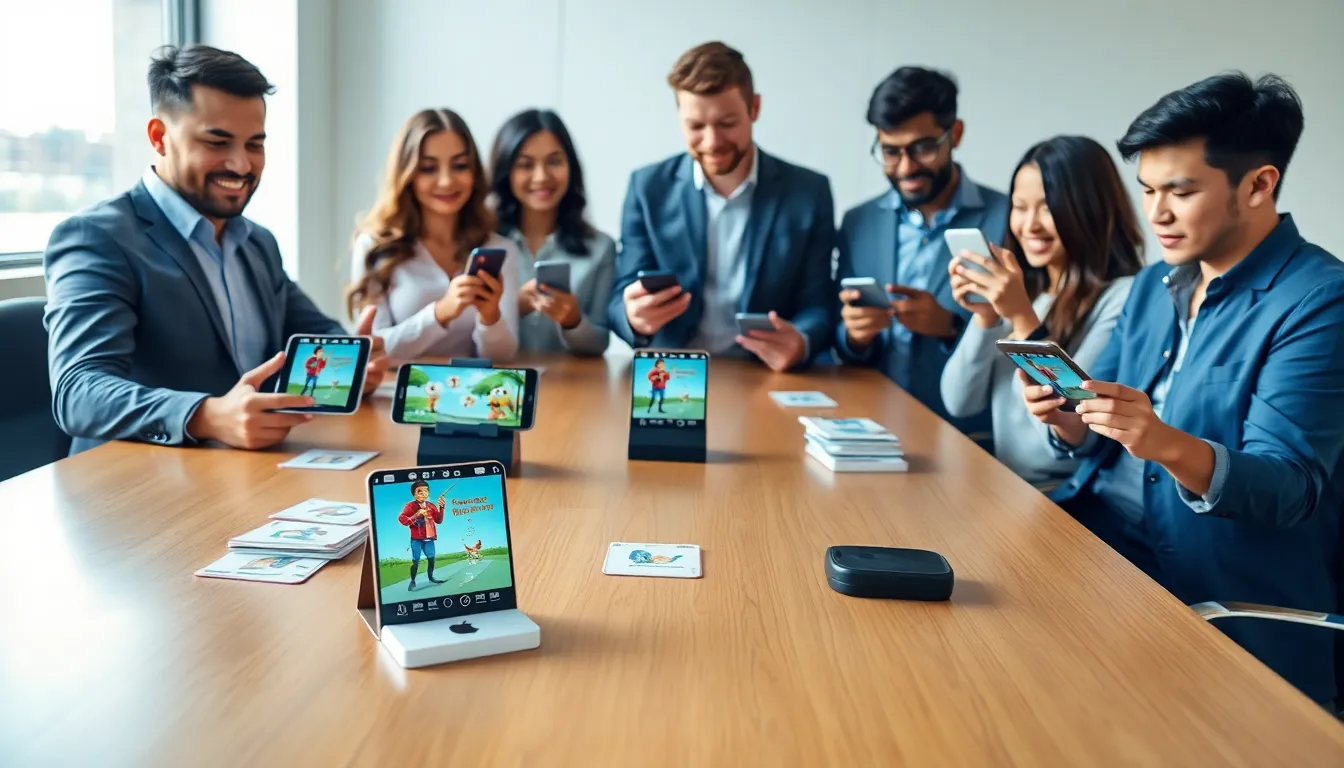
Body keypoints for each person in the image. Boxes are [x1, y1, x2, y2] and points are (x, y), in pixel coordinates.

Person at [1023, 73, 1344, 706]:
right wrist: (1068, 418)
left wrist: (1165, 443)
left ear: (1258, 185)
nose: (1156, 214)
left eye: (1181, 191)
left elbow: (1288, 488)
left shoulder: (1320, 301)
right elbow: (1093, 428)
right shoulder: (1153, 285)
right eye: (1146, 190)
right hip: (1100, 548)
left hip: (1219, 597)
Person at [42, 44, 386, 455]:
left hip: (247, 473)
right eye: (218, 142)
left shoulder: (257, 242)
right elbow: (79, 391)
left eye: (254, 145)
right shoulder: (95, 238)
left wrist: (352, 366)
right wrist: (206, 414)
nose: (241, 165)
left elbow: (312, 330)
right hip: (136, 488)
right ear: (159, 137)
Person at [608, 41, 836, 371]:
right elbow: (618, 297)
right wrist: (633, 317)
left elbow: (817, 304)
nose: (713, 142)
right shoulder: (647, 188)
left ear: (754, 109)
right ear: (679, 118)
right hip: (670, 375)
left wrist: (801, 340)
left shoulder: (809, 192)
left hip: (763, 375)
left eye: (727, 123)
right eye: (696, 126)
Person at [940, 136, 1143, 488]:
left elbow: (1069, 430)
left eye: (1048, 207)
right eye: (1020, 206)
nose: (1029, 225)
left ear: (1090, 208)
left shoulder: (1124, 297)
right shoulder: (1023, 292)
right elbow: (959, 402)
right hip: (1004, 485)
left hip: (1061, 500)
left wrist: (1022, 320)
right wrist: (987, 317)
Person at [834, 66, 1008, 440]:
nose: (907, 167)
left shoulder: (1008, 219)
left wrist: (949, 328)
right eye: (890, 152)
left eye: (923, 147)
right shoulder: (857, 222)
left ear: (955, 134)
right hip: (866, 427)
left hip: (966, 438)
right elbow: (838, 331)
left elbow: (1029, 336)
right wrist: (855, 338)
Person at [347, 109, 519, 365]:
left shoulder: (499, 249)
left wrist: (490, 317)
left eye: (460, 166)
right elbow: (373, 349)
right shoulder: (375, 247)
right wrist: (440, 313)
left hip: (473, 397)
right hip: (397, 398)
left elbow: (503, 357)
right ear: (407, 175)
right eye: (428, 168)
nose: (446, 181)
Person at [489, 109, 615, 356]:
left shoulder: (601, 248)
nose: (541, 176)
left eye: (554, 161)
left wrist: (573, 320)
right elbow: (464, 336)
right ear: (506, 172)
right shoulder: (482, 243)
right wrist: (514, 306)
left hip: (571, 390)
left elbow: (600, 343)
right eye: (525, 165)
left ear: (571, 166)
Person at [398, 480, 446, 592]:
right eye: (420, 491)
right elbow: (402, 519)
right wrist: (416, 515)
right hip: (416, 540)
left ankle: (431, 577)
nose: (423, 493)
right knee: (415, 561)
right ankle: (413, 580)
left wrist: (442, 508)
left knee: (431, 559)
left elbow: (439, 520)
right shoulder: (410, 506)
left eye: (426, 491)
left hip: (429, 539)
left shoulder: (431, 506)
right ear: (414, 494)